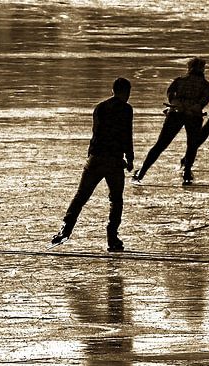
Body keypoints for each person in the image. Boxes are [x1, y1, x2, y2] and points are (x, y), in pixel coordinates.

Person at [50, 77, 134, 252]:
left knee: (81, 196)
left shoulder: (100, 107)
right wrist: (129, 157)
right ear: (125, 92)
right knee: (116, 200)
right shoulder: (126, 109)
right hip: (114, 161)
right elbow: (126, 134)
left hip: (96, 158)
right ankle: (112, 237)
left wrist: (92, 155)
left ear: (113, 90)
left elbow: (97, 133)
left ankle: (65, 229)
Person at [132, 57, 209, 185]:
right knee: (192, 145)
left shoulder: (179, 81)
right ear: (202, 69)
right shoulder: (206, 85)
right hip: (193, 115)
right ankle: (187, 172)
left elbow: (170, 92)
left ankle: (141, 172)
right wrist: (193, 107)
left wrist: (175, 102)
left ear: (189, 68)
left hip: (176, 113)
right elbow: (204, 100)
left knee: (161, 144)